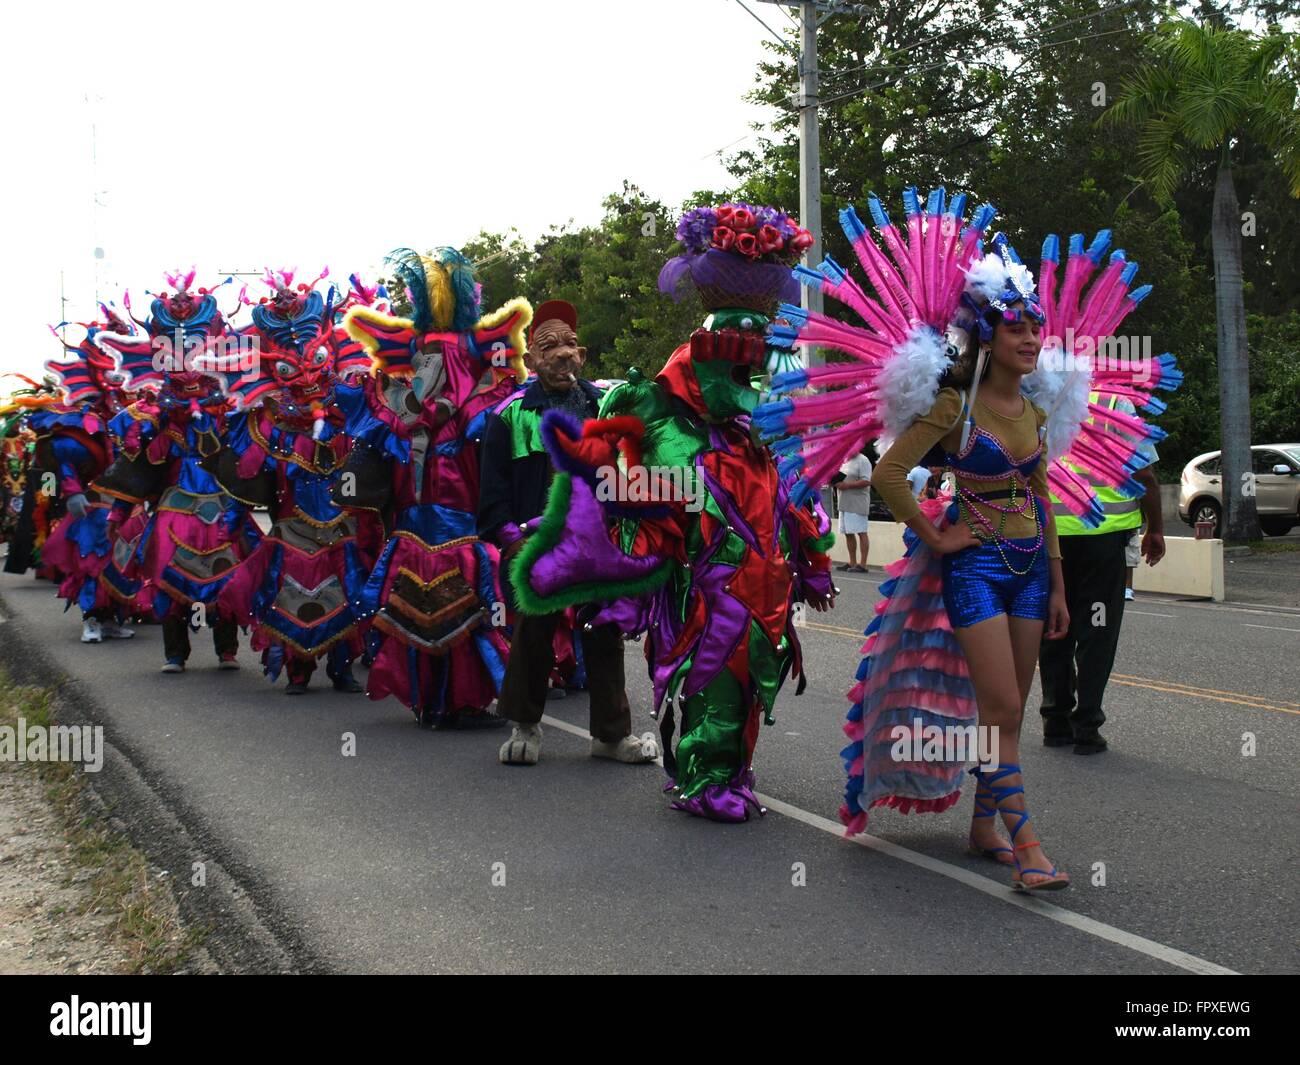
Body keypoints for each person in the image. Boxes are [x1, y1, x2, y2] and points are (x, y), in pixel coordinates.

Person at [756, 187, 1180, 889]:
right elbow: (890, 472)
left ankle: (986, 825)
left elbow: (1042, 491)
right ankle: (1030, 847)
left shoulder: (1036, 405)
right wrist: (933, 534)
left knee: (1011, 697)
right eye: (1016, 328)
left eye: (1034, 328)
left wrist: (1059, 582)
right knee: (1006, 708)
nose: (1030, 338)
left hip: (1030, 567)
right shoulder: (954, 406)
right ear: (986, 336)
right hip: (975, 567)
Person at [512, 203, 835, 820]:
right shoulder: (667, 421)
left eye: (754, 355)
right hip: (709, 585)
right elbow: (627, 488)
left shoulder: (767, 427)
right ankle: (705, 779)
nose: (743, 369)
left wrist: (814, 560)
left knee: (751, 685)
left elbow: (799, 496)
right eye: (729, 351)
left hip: (767, 580)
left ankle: (730, 773)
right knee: (715, 677)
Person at [337, 247, 530, 727]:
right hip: (445, 514)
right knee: (455, 601)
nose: (436, 368)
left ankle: (436, 702)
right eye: (427, 360)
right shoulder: (443, 414)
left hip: (432, 514)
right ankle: (452, 702)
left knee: (432, 598)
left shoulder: (424, 415)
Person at [479, 299, 658, 768]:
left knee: (604, 633)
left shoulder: (606, 406)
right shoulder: (509, 416)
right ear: (531, 360)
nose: (562, 354)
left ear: (582, 355)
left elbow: (635, 471)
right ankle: (524, 724)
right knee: (533, 633)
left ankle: (611, 735)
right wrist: (511, 541)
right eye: (549, 346)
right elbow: (491, 495)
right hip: (539, 546)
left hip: (600, 544)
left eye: (571, 345)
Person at [1039, 393, 1165, 752]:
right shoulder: (1114, 404)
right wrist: (1155, 528)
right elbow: (1144, 474)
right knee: (1097, 630)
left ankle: (1055, 722)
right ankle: (1086, 726)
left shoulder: (1037, 398)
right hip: (1102, 541)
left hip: (1051, 540)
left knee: (1054, 627)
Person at [836, 447, 872, 572]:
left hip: (857, 502)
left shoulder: (863, 460)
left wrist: (847, 485)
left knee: (861, 531)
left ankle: (863, 564)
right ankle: (852, 562)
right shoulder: (844, 460)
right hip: (843, 502)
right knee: (848, 533)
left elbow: (867, 481)